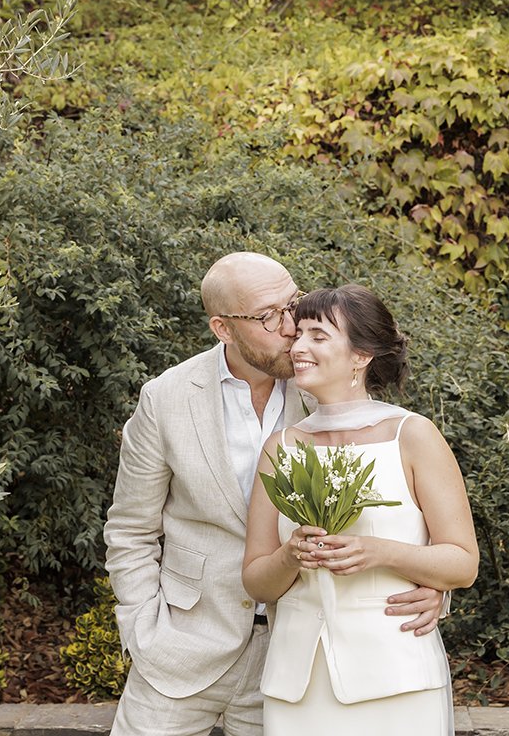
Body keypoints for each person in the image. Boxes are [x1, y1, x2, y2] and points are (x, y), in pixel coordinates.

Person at [104, 254, 445, 736]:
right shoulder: (166, 398)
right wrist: (142, 631)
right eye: (269, 317)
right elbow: (130, 530)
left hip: (296, 659)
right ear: (224, 329)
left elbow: (405, 510)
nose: (290, 328)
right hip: (180, 652)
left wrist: (432, 589)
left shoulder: (326, 385)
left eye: (293, 305)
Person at [242, 284, 478, 736]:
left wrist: (379, 552)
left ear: (361, 355)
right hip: (298, 686)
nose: (300, 346)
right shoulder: (282, 448)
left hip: (398, 676)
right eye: (300, 334)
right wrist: (290, 556)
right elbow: (256, 579)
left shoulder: (411, 436)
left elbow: (463, 562)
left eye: (318, 335)